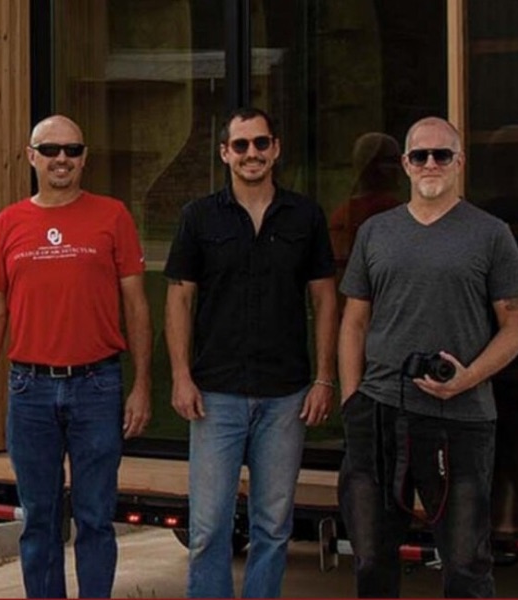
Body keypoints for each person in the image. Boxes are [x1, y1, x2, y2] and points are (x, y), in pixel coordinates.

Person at [337, 116, 518, 598]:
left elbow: (517, 327)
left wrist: (467, 378)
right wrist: (351, 400)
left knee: (465, 563)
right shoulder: (375, 232)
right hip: (378, 415)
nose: (430, 164)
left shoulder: (491, 234)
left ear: (459, 162)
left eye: (441, 154)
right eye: (419, 155)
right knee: (371, 559)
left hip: (460, 421)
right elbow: (353, 322)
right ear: (405, 164)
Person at [0, 114, 152, 599]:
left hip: (97, 386)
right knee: (40, 520)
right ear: (32, 157)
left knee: (95, 517)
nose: (62, 159)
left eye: (72, 150)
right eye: (50, 150)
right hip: (30, 390)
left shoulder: (113, 216)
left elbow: (136, 305)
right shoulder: (9, 222)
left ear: (85, 157)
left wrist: (142, 385)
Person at [164, 106, 338, 598]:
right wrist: (180, 376)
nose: (251, 153)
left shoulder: (305, 216)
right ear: (225, 153)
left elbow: (325, 299)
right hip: (215, 395)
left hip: (286, 395)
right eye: (240, 145)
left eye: (261, 143)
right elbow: (179, 299)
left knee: (273, 527)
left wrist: (324, 378)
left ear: (275, 149)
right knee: (207, 529)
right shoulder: (198, 217)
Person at [328, 131, 402, 277]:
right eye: (389, 161)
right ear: (371, 165)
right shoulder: (391, 211)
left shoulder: (341, 213)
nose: (397, 168)